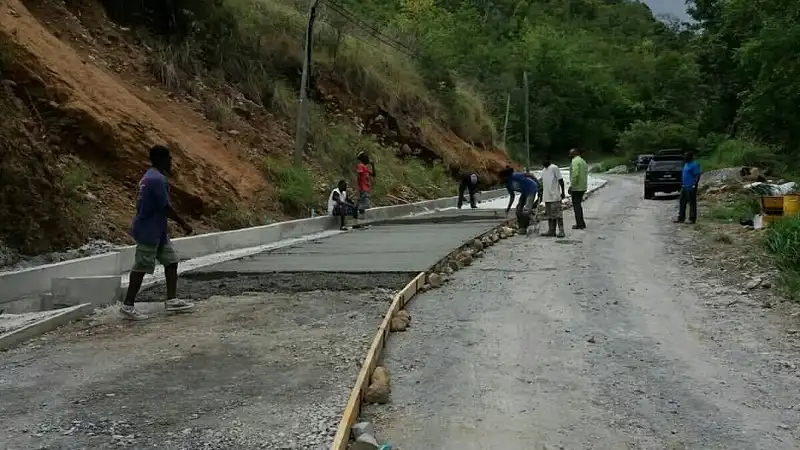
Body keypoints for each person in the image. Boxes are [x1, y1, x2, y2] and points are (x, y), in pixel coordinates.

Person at [121, 145, 195, 321]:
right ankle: (128, 305)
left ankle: (172, 300)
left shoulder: (150, 177)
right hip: (149, 229)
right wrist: (184, 224)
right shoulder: (156, 179)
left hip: (158, 230)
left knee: (171, 261)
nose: (171, 162)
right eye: (169, 158)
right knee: (141, 267)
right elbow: (165, 206)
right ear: (161, 160)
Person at [501, 167, 541, 235]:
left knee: (526, 210)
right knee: (518, 210)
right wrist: (508, 207)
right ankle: (522, 225)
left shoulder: (515, 176)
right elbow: (512, 196)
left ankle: (524, 228)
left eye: (504, 178)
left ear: (507, 176)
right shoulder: (508, 185)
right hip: (524, 192)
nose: (504, 179)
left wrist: (538, 184)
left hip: (531, 189)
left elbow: (530, 175)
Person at [540, 157, 566, 237]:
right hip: (547, 196)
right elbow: (543, 183)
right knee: (550, 215)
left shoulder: (554, 168)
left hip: (555, 195)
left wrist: (563, 192)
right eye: (543, 161)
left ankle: (561, 231)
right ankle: (551, 231)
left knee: (558, 214)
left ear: (549, 160)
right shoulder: (544, 171)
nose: (544, 162)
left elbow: (561, 180)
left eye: (546, 160)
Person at [676, 151, 701, 224]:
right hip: (684, 186)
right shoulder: (686, 164)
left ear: (690, 157)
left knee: (692, 203)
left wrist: (694, 185)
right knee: (682, 202)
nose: (684, 157)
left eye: (686, 156)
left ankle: (692, 218)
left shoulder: (694, 165)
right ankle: (681, 218)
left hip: (691, 187)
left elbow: (697, 175)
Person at [568, 148, 588, 229]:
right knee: (578, 205)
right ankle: (581, 222)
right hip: (583, 186)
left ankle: (579, 224)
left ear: (574, 154)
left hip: (577, 187)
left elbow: (575, 174)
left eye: (570, 154)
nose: (570, 156)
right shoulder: (583, 161)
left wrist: (572, 185)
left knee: (576, 206)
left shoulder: (575, 161)